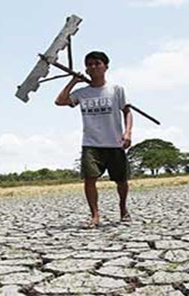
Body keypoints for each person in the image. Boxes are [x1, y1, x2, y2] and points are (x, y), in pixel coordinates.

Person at [55, 50, 133, 228]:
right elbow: (60, 101)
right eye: (89, 64)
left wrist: (127, 133)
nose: (93, 67)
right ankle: (95, 215)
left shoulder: (116, 89)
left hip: (114, 142)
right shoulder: (83, 93)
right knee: (90, 179)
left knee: (121, 180)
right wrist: (74, 80)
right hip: (91, 143)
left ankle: (123, 208)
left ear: (106, 67)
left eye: (97, 63)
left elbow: (127, 111)